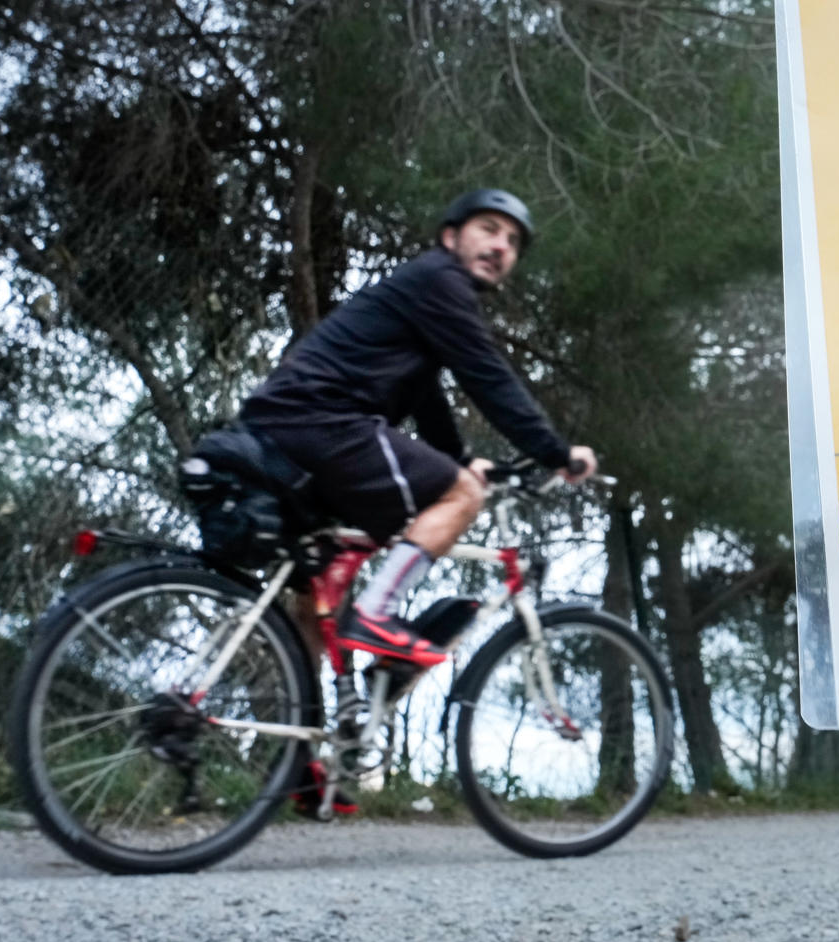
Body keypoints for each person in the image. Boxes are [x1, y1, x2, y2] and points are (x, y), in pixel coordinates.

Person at [238, 188, 595, 668]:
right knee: (463, 495)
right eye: (489, 230)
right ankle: (377, 613)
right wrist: (556, 453)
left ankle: (304, 739)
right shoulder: (441, 280)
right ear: (450, 237)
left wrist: (462, 458)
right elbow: (488, 378)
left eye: (512, 242)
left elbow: (426, 397)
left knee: (318, 600)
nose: (501, 247)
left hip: (289, 426)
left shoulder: (423, 295)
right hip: (322, 419)